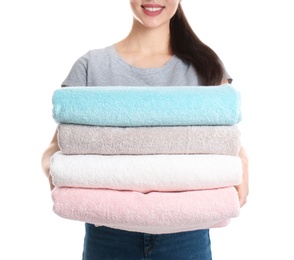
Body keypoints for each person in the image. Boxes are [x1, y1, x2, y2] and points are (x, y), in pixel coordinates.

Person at [41, 1, 249, 259]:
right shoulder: (91, 65)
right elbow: (63, 143)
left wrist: (242, 161)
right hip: (108, 234)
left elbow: (222, 142)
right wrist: (56, 171)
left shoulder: (206, 64)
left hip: (186, 235)